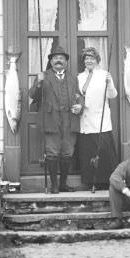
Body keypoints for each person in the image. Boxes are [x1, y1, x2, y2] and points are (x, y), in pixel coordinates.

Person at [29, 45, 83, 193]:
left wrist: (80, 105)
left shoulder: (73, 78)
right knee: (52, 152)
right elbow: (33, 95)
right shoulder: (43, 76)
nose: (58, 60)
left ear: (66, 61)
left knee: (67, 152)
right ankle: (54, 185)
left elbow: (79, 95)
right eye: (55, 58)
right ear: (51, 61)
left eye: (61, 58)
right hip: (50, 120)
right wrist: (39, 82)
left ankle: (63, 184)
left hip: (69, 120)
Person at [77, 47, 118, 191]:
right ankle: (90, 181)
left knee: (103, 151)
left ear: (97, 60)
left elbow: (112, 95)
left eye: (92, 58)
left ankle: (106, 182)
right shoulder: (80, 77)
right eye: (86, 58)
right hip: (86, 119)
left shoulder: (104, 75)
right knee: (88, 151)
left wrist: (110, 83)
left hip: (101, 119)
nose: (89, 60)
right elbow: (77, 96)